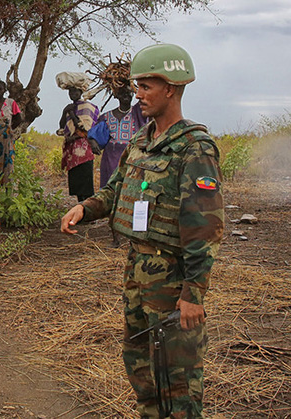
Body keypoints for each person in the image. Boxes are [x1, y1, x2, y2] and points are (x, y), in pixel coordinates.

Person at [61, 44, 223, 418]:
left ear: (172, 88)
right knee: (142, 372)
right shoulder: (142, 140)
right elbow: (116, 189)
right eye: (137, 86)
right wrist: (84, 209)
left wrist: (193, 293)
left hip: (172, 278)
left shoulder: (194, 148)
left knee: (177, 381)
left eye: (146, 86)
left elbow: (206, 226)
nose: (138, 93)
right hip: (137, 273)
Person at [88, 85, 148, 246]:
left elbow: (143, 101)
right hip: (110, 159)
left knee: (134, 195)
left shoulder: (137, 114)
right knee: (112, 195)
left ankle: (133, 234)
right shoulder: (106, 117)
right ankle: (115, 235)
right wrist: (93, 142)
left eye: (128, 95)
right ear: (116, 97)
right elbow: (94, 135)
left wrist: (131, 84)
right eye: (122, 95)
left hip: (132, 159)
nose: (126, 98)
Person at [59, 85, 99, 202]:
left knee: (86, 181)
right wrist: (65, 111)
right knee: (76, 182)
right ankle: (80, 207)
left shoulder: (87, 106)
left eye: (75, 91)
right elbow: (62, 127)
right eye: (70, 91)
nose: (72, 94)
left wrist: (71, 113)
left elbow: (83, 127)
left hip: (84, 148)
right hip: (72, 151)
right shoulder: (69, 107)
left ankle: (87, 210)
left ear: (81, 92)